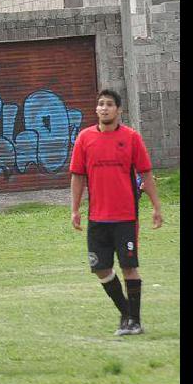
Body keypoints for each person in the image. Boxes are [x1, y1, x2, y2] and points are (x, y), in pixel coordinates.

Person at [70, 89, 163, 336]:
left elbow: (145, 173)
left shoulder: (131, 138)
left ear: (118, 110)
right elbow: (78, 176)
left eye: (109, 104)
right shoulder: (84, 138)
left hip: (125, 217)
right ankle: (126, 313)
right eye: (100, 104)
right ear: (96, 109)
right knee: (101, 268)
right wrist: (75, 209)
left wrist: (156, 207)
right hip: (97, 218)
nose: (104, 108)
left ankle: (135, 321)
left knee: (129, 267)